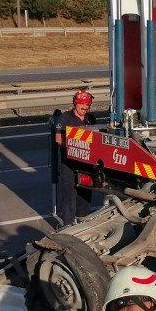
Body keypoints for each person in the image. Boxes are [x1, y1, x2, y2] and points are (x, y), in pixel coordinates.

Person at [53, 89, 97, 226]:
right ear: (75, 104)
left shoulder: (91, 118)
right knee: (69, 194)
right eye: (82, 105)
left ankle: (82, 220)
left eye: (87, 106)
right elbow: (58, 139)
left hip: (86, 163)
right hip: (69, 163)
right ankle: (68, 224)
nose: (84, 108)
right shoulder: (65, 118)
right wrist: (73, 146)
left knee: (85, 193)